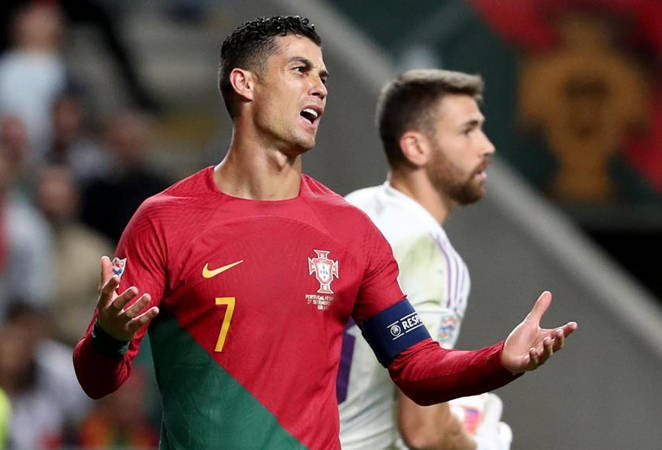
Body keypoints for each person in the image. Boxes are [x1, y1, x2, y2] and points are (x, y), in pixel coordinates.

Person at [73, 16, 577, 450]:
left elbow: (416, 366)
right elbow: (97, 381)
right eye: (300, 70)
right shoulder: (164, 220)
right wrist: (108, 336)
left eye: (323, 75)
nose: (319, 86)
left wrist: (501, 360)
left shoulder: (349, 230)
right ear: (245, 84)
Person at [338, 69, 511, 449]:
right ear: (415, 147)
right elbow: (423, 430)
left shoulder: (351, 208)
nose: (486, 147)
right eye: (467, 131)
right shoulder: (432, 255)